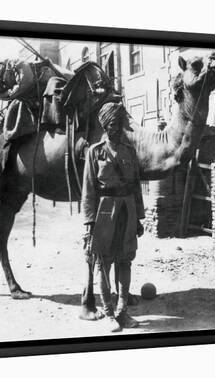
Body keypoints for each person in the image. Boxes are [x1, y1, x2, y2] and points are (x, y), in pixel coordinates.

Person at [81, 102, 145, 332]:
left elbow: (136, 187)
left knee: (125, 261)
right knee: (103, 263)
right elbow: (88, 191)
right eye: (112, 125)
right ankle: (108, 313)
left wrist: (139, 217)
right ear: (105, 126)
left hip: (127, 212)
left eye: (119, 124)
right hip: (105, 214)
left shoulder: (129, 152)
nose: (117, 129)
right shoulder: (95, 152)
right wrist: (89, 224)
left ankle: (123, 311)